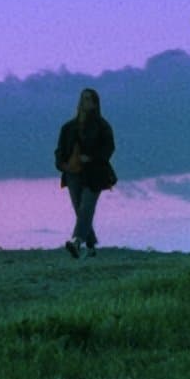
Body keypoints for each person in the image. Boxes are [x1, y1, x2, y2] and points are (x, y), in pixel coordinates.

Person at [54, 87, 118, 258]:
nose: (86, 102)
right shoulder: (68, 127)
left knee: (86, 208)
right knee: (80, 210)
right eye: (84, 98)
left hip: (95, 175)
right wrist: (63, 165)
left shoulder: (102, 126)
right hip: (73, 174)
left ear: (96, 103)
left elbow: (109, 148)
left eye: (90, 99)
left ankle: (76, 241)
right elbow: (59, 151)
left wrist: (91, 158)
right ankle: (90, 245)